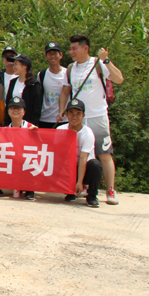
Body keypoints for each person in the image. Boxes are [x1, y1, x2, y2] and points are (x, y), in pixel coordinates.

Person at [59, 34, 123, 205]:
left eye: (74, 48)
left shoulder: (98, 63)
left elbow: (119, 79)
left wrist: (107, 60)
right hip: (77, 119)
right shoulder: (70, 69)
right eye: (70, 48)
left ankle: (110, 189)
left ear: (85, 48)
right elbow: (65, 91)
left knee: (104, 154)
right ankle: (81, 186)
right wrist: (61, 110)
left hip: (97, 116)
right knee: (77, 155)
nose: (71, 51)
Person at [59, 99, 103, 207]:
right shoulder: (60, 130)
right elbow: (55, 153)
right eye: (71, 113)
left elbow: (83, 158)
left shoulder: (88, 133)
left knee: (96, 165)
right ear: (66, 114)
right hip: (68, 168)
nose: (75, 116)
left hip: (84, 167)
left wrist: (79, 182)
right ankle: (70, 191)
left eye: (78, 113)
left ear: (83, 115)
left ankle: (91, 195)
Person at [5, 96, 38, 200]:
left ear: (24, 112)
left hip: (26, 162)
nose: (15, 110)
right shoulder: (4, 130)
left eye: (18, 108)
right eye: (12, 108)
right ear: (8, 111)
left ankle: (29, 188)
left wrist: (37, 134)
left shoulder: (31, 127)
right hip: (11, 162)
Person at [4, 54, 42, 127]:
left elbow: (36, 109)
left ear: (24, 66)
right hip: (13, 125)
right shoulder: (12, 82)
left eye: (16, 64)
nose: (14, 67)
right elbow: (8, 104)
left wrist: (33, 126)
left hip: (28, 126)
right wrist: (6, 124)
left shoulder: (34, 84)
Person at [38, 41, 67, 129]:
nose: (52, 56)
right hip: (45, 118)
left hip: (64, 118)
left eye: (55, 53)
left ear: (61, 55)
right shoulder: (41, 75)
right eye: (50, 54)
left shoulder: (67, 73)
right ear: (46, 56)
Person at [0, 46, 18, 126]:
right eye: (6, 56)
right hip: (2, 115)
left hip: (18, 114)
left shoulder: (21, 76)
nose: (9, 58)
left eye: (11, 56)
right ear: (3, 59)